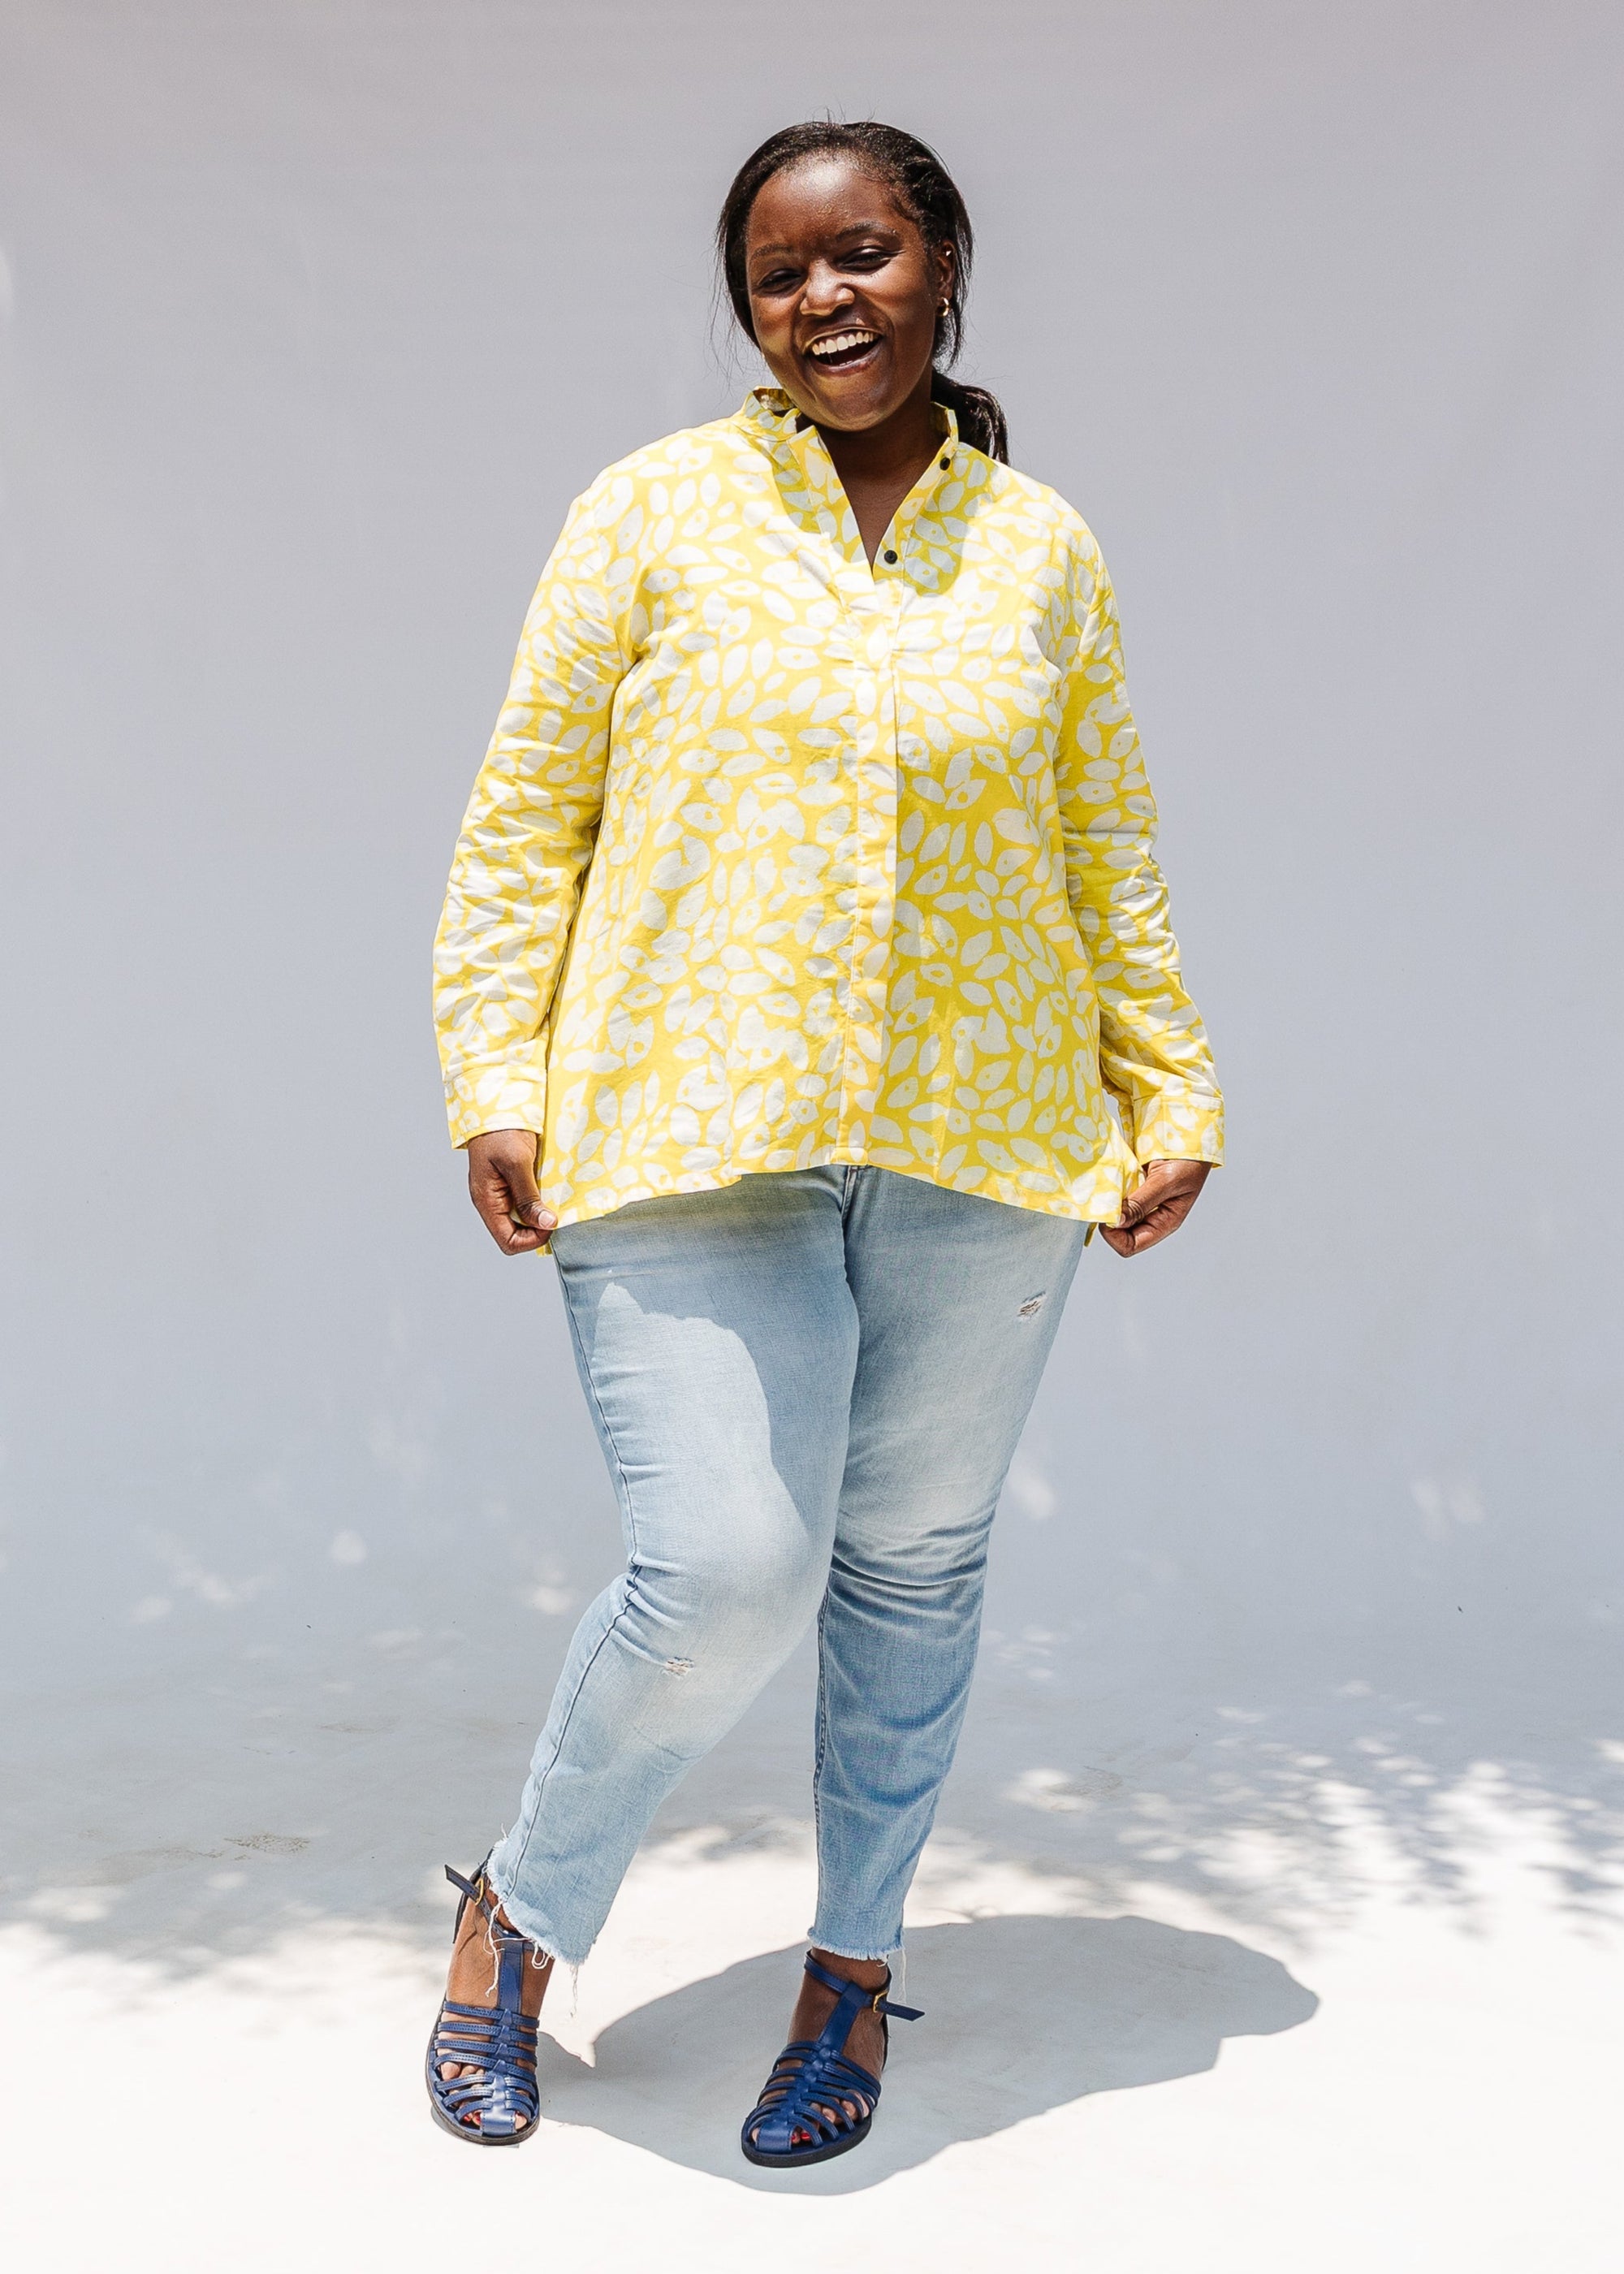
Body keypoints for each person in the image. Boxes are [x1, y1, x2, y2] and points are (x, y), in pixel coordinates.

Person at [425, 119, 1222, 2162]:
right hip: (690, 1124)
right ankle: (520, 1911)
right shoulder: (651, 515)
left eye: (860, 253)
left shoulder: (1039, 546)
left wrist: (1169, 1079)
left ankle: (851, 1967)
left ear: (942, 261)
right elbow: (529, 819)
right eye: (781, 274)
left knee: (911, 1565)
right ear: (748, 307)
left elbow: (1101, 843)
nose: (821, 299)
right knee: (725, 1564)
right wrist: (492, 1073)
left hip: (985, 1129)